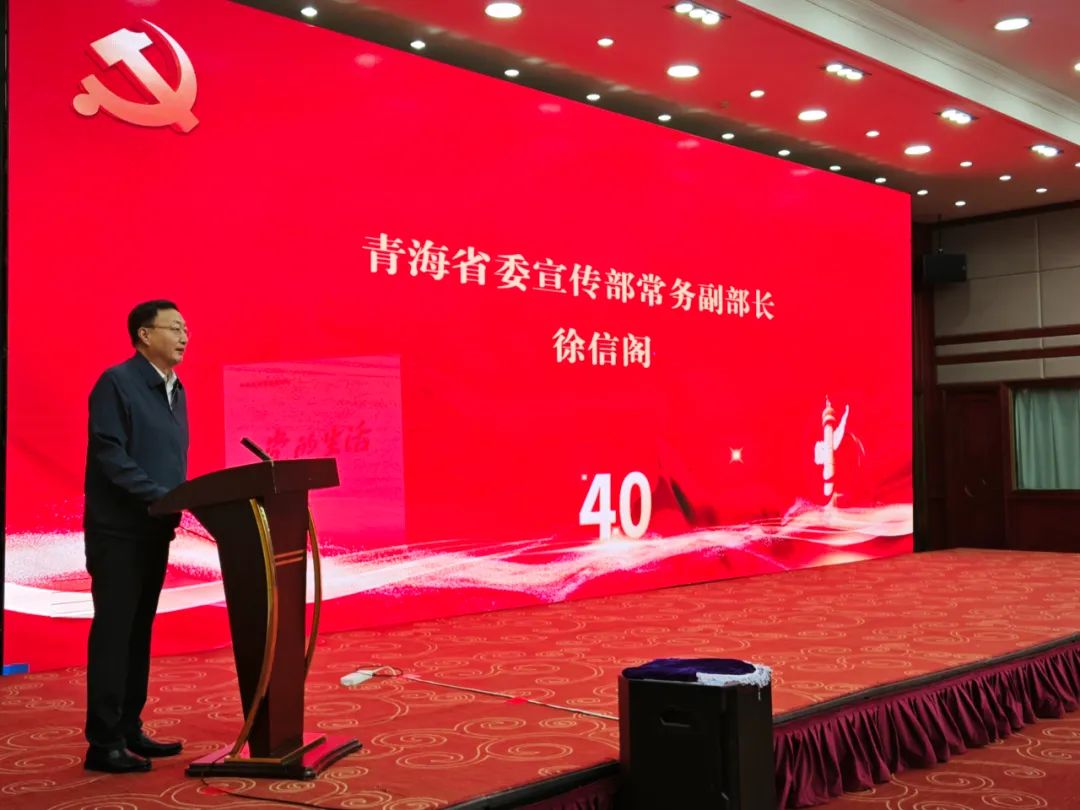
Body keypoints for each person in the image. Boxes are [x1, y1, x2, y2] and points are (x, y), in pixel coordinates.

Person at [83, 300, 190, 773]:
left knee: (138, 630)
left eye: (186, 329)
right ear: (145, 335)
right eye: (174, 328)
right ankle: (103, 742)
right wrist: (161, 496)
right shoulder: (117, 382)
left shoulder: (176, 388)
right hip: (118, 532)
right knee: (115, 631)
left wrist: (174, 502)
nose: (184, 336)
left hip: (154, 529)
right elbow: (110, 455)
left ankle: (128, 727)